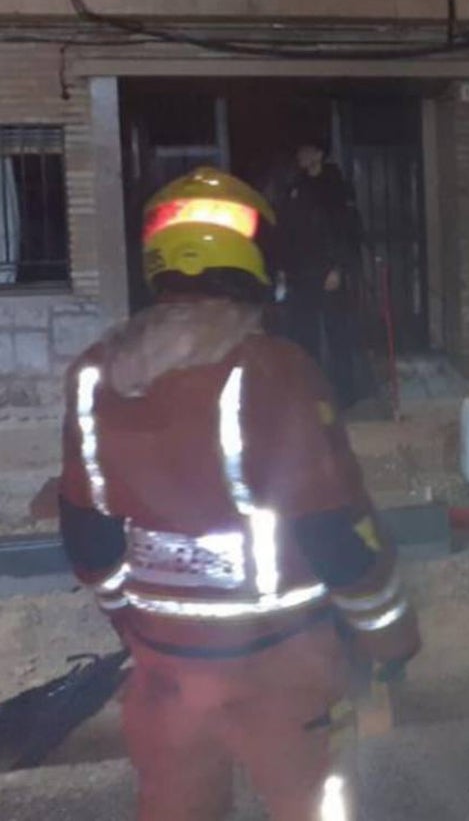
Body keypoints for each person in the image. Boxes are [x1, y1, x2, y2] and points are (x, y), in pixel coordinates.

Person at [58, 167, 419, 821]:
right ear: (258, 263)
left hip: (165, 679)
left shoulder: (93, 377)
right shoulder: (276, 370)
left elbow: (87, 535)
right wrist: (391, 640)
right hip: (286, 671)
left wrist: (137, 625)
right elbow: (338, 538)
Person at [272, 143, 364, 407]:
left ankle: (345, 394)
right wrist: (282, 270)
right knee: (304, 335)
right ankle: (310, 392)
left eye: (307, 151)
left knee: (338, 334)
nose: (301, 156)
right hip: (301, 274)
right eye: (300, 151)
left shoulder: (334, 186)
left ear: (318, 155)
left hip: (328, 273)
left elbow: (347, 231)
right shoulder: (295, 188)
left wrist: (338, 267)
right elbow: (286, 232)